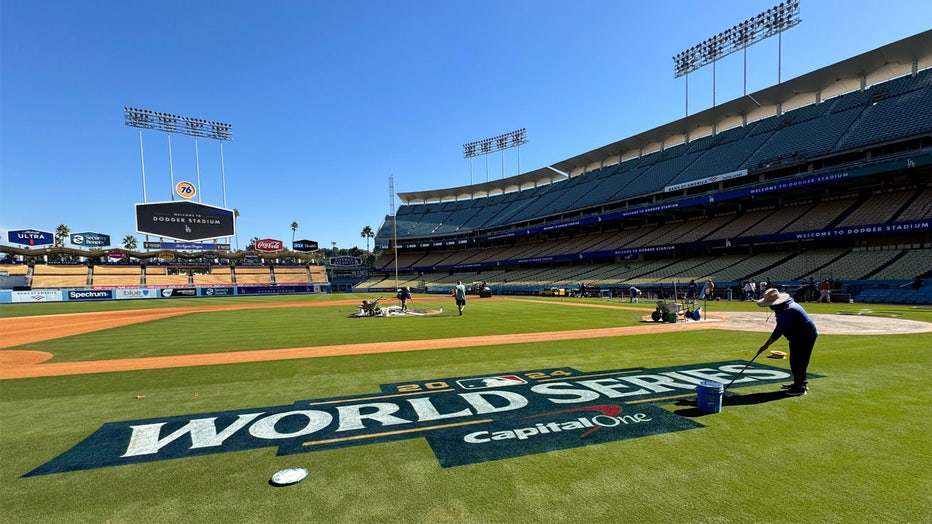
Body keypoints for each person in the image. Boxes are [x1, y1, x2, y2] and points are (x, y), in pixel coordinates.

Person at [756, 288, 818, 396]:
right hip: (796, 337)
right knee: (795, 361)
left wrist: (765, 346)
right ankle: (798, 383)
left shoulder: (788, 310)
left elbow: (778, 331)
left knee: (800, 362)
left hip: (805, 337)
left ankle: (800, 388)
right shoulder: (782, 307)